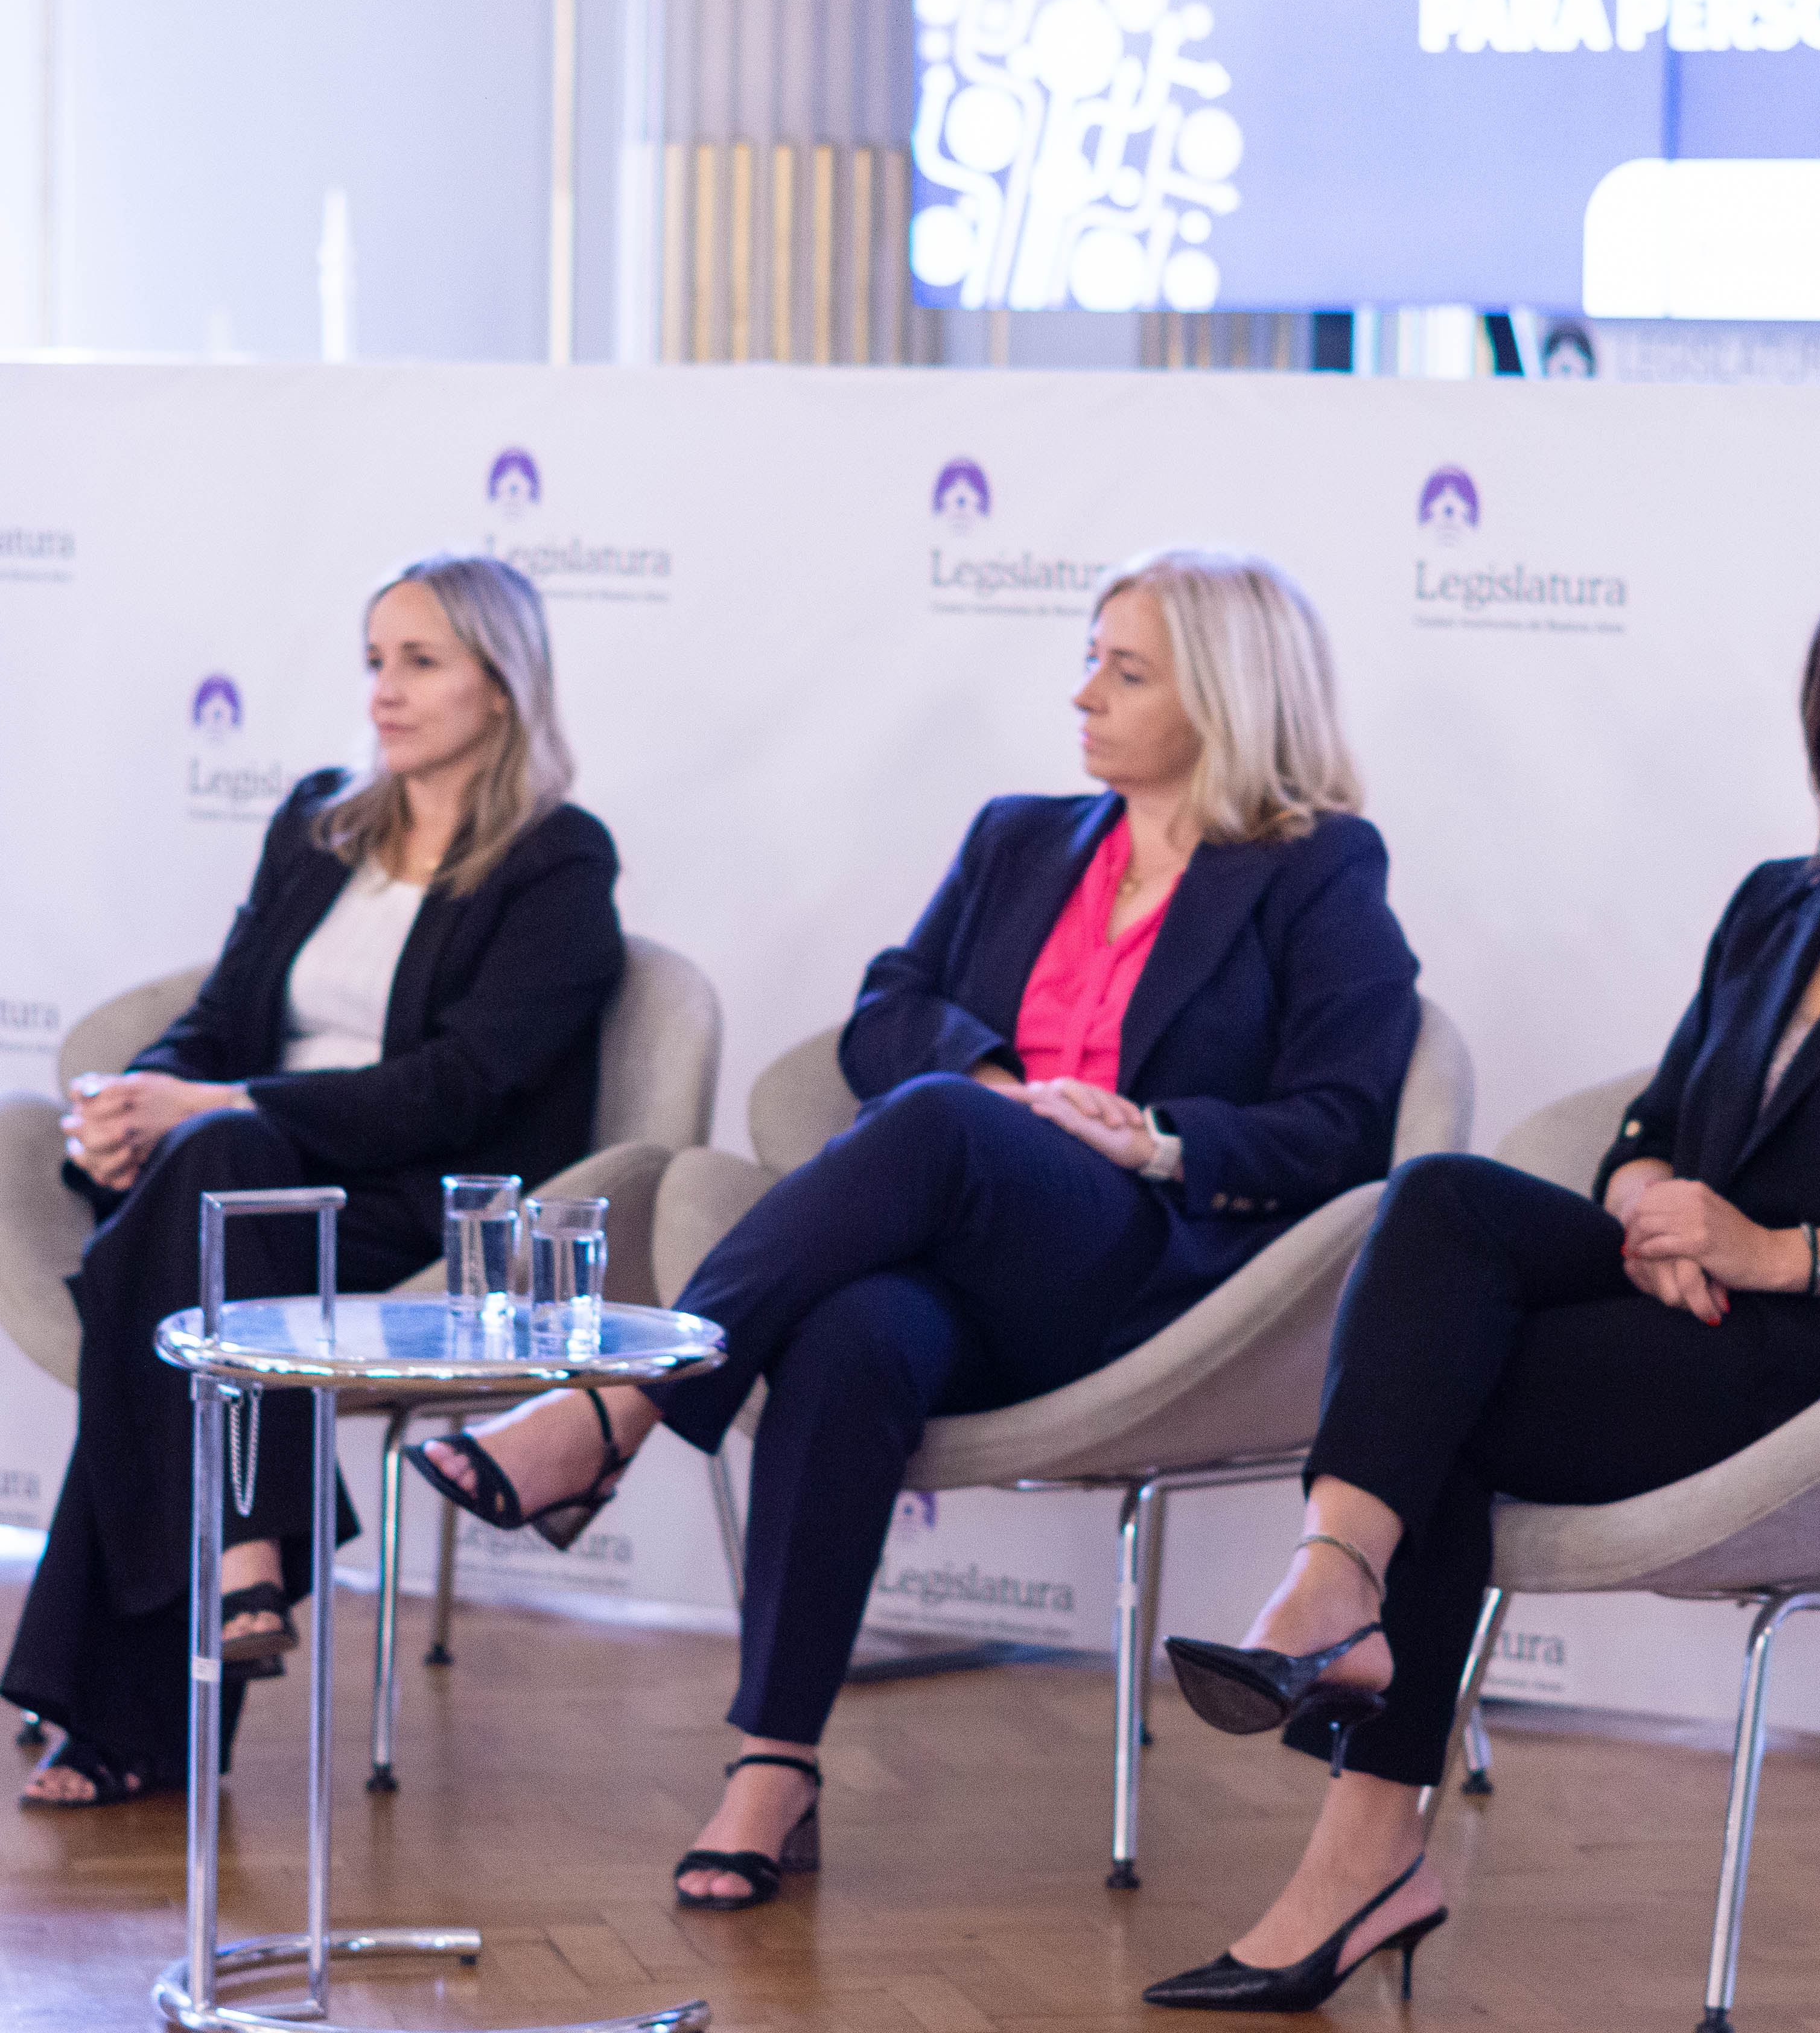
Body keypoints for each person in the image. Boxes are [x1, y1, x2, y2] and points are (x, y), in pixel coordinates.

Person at [1145, 544, 1820, 2010]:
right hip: (1694, 1291)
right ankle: (1336, 1603)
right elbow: (1657, 1124)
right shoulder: (1774, 903)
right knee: (1444, 1201)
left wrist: (1771, 1251)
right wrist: (1653, 1201)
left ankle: (1358, 1803)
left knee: (1447, 1397)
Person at [409, 549, 1422, 1911]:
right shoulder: (1021, 836)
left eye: (1125, 672)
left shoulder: (1316, 869)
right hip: (964, 1256)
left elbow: (1348, 1123)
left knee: (941, 1120)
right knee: (850, 1329)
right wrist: (1001, 1089)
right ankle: (773, 1759)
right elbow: (886, 1011)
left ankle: (621, 1401)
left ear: (1230, 697)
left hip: (1150, 1276)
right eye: (1089, 656)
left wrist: (1156, 1135)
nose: (1083, 693)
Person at [0, 553, 622, 1807]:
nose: (385, 689)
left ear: (501, 686)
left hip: (418, 1207)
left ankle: (164, 1653)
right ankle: (242, 1564)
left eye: (422, 660)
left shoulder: (555, 859)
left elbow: (465, 1086)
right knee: (209, 1190)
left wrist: (213, 1107)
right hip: (244, 1186)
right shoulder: (322, 819)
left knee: (193, 1212)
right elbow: (220, 1014)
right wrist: (132, 1097)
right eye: (376, 659)